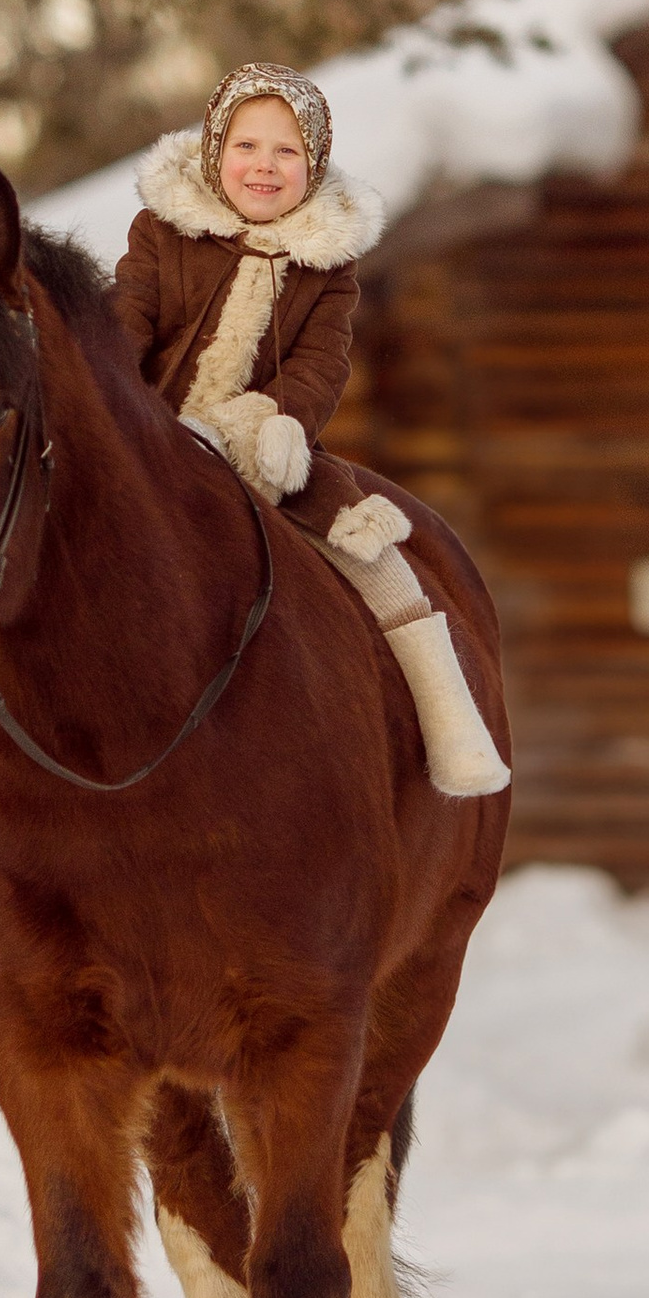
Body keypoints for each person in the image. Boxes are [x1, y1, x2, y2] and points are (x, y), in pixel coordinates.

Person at [111, 62, 510, 797]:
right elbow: (125, 319)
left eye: (287, 152)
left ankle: (451, 717)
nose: (264, 165)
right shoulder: (163, 232)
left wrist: (286, 421)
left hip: (264, 441)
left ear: (314, 165)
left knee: (372, 551)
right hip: (152, 431)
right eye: (247, 146)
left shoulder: (327, 262)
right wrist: (114, 401)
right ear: (212, 153)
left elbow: (322, 357)